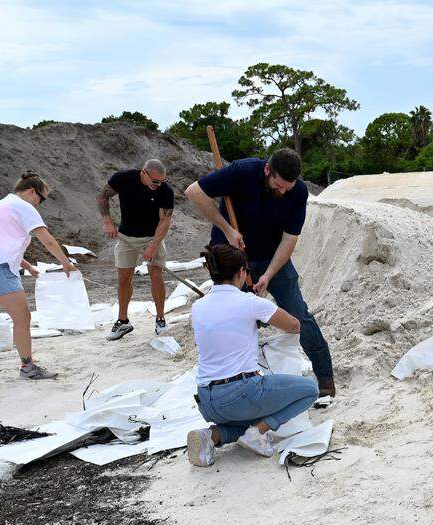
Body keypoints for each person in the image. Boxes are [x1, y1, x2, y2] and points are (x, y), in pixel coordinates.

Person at [183, 149, 336, 399]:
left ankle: (325, 377)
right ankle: (231, 382)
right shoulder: (243, 171)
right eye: (279, 185)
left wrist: (268, 275)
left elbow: (289, 239)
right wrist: (228, 229)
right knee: (233, 318)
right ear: (268, 170)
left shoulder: (297, 192)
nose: (283, 191)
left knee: (298, 312)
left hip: (271, 254)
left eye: (288, 187)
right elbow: (194, 192)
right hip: (231, 256)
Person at [186, 244, 319, 467]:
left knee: (248, 419)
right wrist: (261, 306)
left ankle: (212, 435)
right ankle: (259, 433)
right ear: (241, 272)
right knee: (308, 391)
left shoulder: (198, 307)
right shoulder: (249, 302)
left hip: (207, 400)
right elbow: (294, 325)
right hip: (240, 392)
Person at [0, 172, 76, 380]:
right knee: (22, 318)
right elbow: (46, 239)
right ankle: (28, 368)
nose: (39, 204)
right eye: (41, 199)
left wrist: (28, 266)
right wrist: (65, 262)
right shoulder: (24, 207)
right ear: (32, 192)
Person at [97, 158, 175, 340]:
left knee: (156, 275)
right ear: (143, 173)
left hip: (152, 237)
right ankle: (123, 321)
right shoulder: (124, 178)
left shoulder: (165, 190)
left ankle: (160, 319)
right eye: (155, 181)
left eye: (162, 181)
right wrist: (108, 222)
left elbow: (165, 220)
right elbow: (102, 196)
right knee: (124, 278)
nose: (158, 185)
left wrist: (153, 245)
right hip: (126, 237)